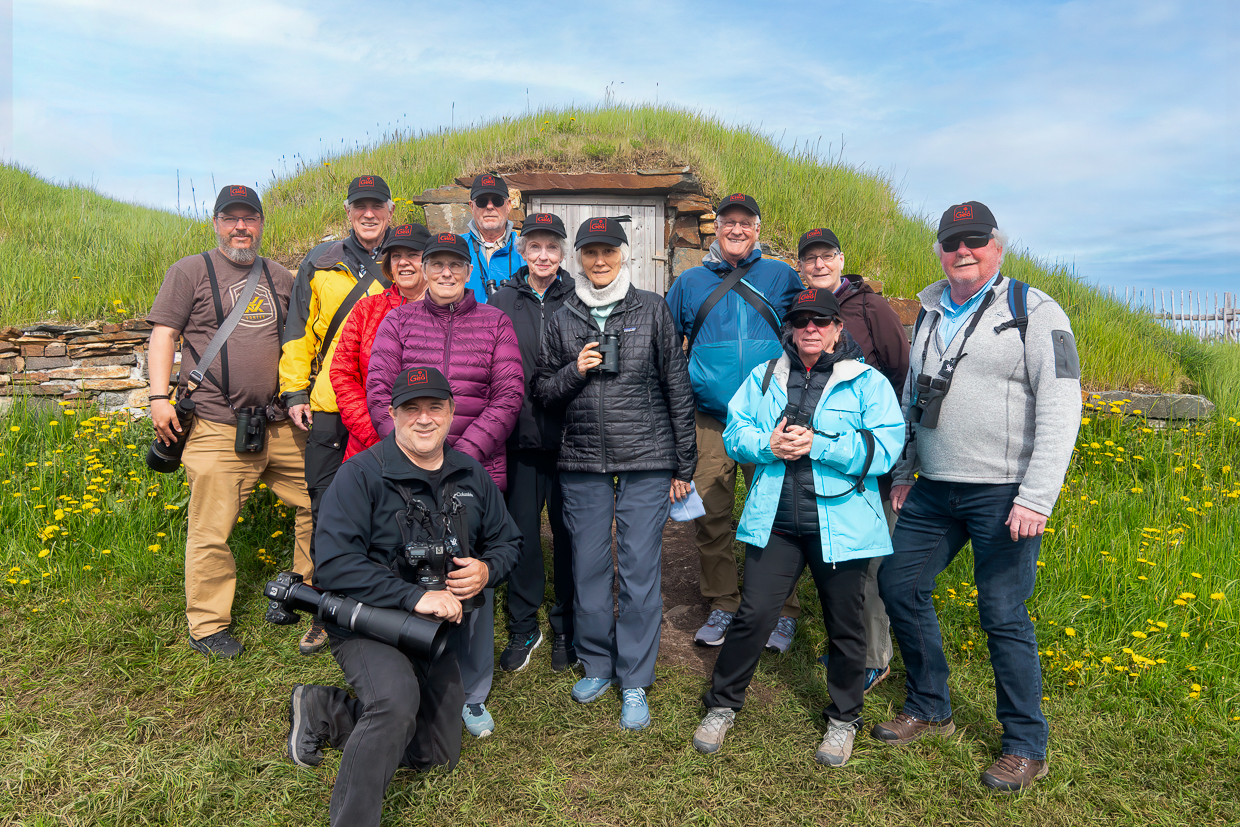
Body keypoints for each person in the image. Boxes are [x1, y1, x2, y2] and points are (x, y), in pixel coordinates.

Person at [876, 201, 1082, 793]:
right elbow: (917, 397)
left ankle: (1025, 744)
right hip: (935, 490)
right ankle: (930, 706)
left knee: (1002, 614)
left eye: (974, 240)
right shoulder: (929, 311)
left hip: (1003, 493)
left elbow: (1063, 406)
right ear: (939, 249)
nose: (962, 252)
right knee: (900, 584)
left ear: (998, 245)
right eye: (951, 242)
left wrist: (1036, 497)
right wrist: (905, 472)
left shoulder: (1035, 311)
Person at [286, 367, 522, 827]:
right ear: (392, 415)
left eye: (435, 407)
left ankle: (327, 709)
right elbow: (333, 564)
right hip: (367, 621)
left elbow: (509, 542)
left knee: (435, 754)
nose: (424, 419)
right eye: (411, 409)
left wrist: (487, 570)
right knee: (394, 704)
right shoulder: (359, 476)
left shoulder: (470, 473)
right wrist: (413, 597)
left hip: (432, 632)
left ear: (452, 413)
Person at [690, 286, 904, 765]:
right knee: (753, 617)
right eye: (802, 320)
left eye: (820, 321)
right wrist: (767, 444)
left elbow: (887, 446)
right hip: (778, 523)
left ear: (837, 330)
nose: (811, 328)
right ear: (791, 327)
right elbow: (734, 431)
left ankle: (844, 719)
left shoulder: (867, 382)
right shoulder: (765, 374)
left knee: (845, 626)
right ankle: (722, 706)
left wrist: (818, 444)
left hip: (842, 525)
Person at [536, 216, 697, 731]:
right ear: (577, 257)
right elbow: (542, 390)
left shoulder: (651, 308)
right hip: (582, 458)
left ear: (624, 253)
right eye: (590, 252)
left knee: (639, 571)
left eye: (608, 251)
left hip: (646, 457)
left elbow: (676, 384)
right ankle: (598, 663)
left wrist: (684, 462)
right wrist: (573, 371)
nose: (599, 260)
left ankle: (633, 677)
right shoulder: (562, 314)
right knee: (586, 566)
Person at [365, 231, 523, 739]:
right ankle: (415, 680)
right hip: (406, 473)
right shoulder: (399, 320)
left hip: (473, 471)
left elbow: (508, 394)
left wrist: (459, 457)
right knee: (411, 574)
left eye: (457, 263)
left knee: (468, 577)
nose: (448, 272)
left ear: (468, 269)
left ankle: (473, 693)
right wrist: (412, 454)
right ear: (425, 269)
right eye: (438, 264)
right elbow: (379, 387)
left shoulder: (495, 322)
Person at [147, 185, 311, 658]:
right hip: (216, 424)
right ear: (217, 222)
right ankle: (208, 624)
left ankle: (302, 593)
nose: (241, 226)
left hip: (278, 423)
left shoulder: (281, 277)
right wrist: (159, 397)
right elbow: (164, 335)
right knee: (211, 529)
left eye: (250, 218)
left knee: (322, 501)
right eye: (231, 218)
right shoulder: (190, 271)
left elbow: (298, 340)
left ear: (261, 224)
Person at [664, 193, 805, 651]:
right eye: (729, 222)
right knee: (711, 513)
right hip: (710, 419)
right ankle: (723, 602)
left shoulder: (781, 276)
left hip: (770, 418)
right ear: (717, 227)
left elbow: (807, 331)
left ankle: (782, 610)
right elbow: (667, 347)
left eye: (746, 222)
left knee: (779, 513)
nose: (737, 230)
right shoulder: (689, 282)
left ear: (758, 229)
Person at [280, 174, 396, 655]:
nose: (368, 214)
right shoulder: (321, 260)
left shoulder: (410, 255)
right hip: (329, 404)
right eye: (359, 206)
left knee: (391, 503)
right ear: (348, 211)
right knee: (325, 504)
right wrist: (293, 391)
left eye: (376, 206)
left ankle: (385, 598)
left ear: (390, 210)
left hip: (391, 405)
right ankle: (327, 607)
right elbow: (298, 330)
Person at [797, 227, 910, 694]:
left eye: (827, 256)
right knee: (840, 559)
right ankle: (850, 645)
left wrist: (895, 459)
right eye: (811, 259)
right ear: (801, 266)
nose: (819, 265)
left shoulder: (870, 308)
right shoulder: (805, 310)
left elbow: (903, 377)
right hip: (825, 460)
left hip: (868, 458)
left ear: (842, 259)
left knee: (868, 561)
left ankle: (874, 657)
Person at [487, 213, 577, 673]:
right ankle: (524, 623)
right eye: (535, 247)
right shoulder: (501, 301)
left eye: (552, 247)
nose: (543, 256)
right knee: (519, 534)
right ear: (522, 251)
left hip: (570, 441)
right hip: (519, 439)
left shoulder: (579, 299)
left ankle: (565, 622)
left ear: (562, 254)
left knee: (569, 534)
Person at [330, 223, 430, 460]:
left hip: (434, 447)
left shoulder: (449, 311)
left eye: (413, 255)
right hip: (371, 448)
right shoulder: (367, 309)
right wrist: (380, 435)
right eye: (396, 256)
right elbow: (342, 374)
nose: (403, 262)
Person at [463, 172, 525, 302]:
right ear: (471, 206)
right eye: (481, 201)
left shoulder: (526, 251)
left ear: (508, 205)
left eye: (497, 201)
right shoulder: (456, 248)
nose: (490, 206)